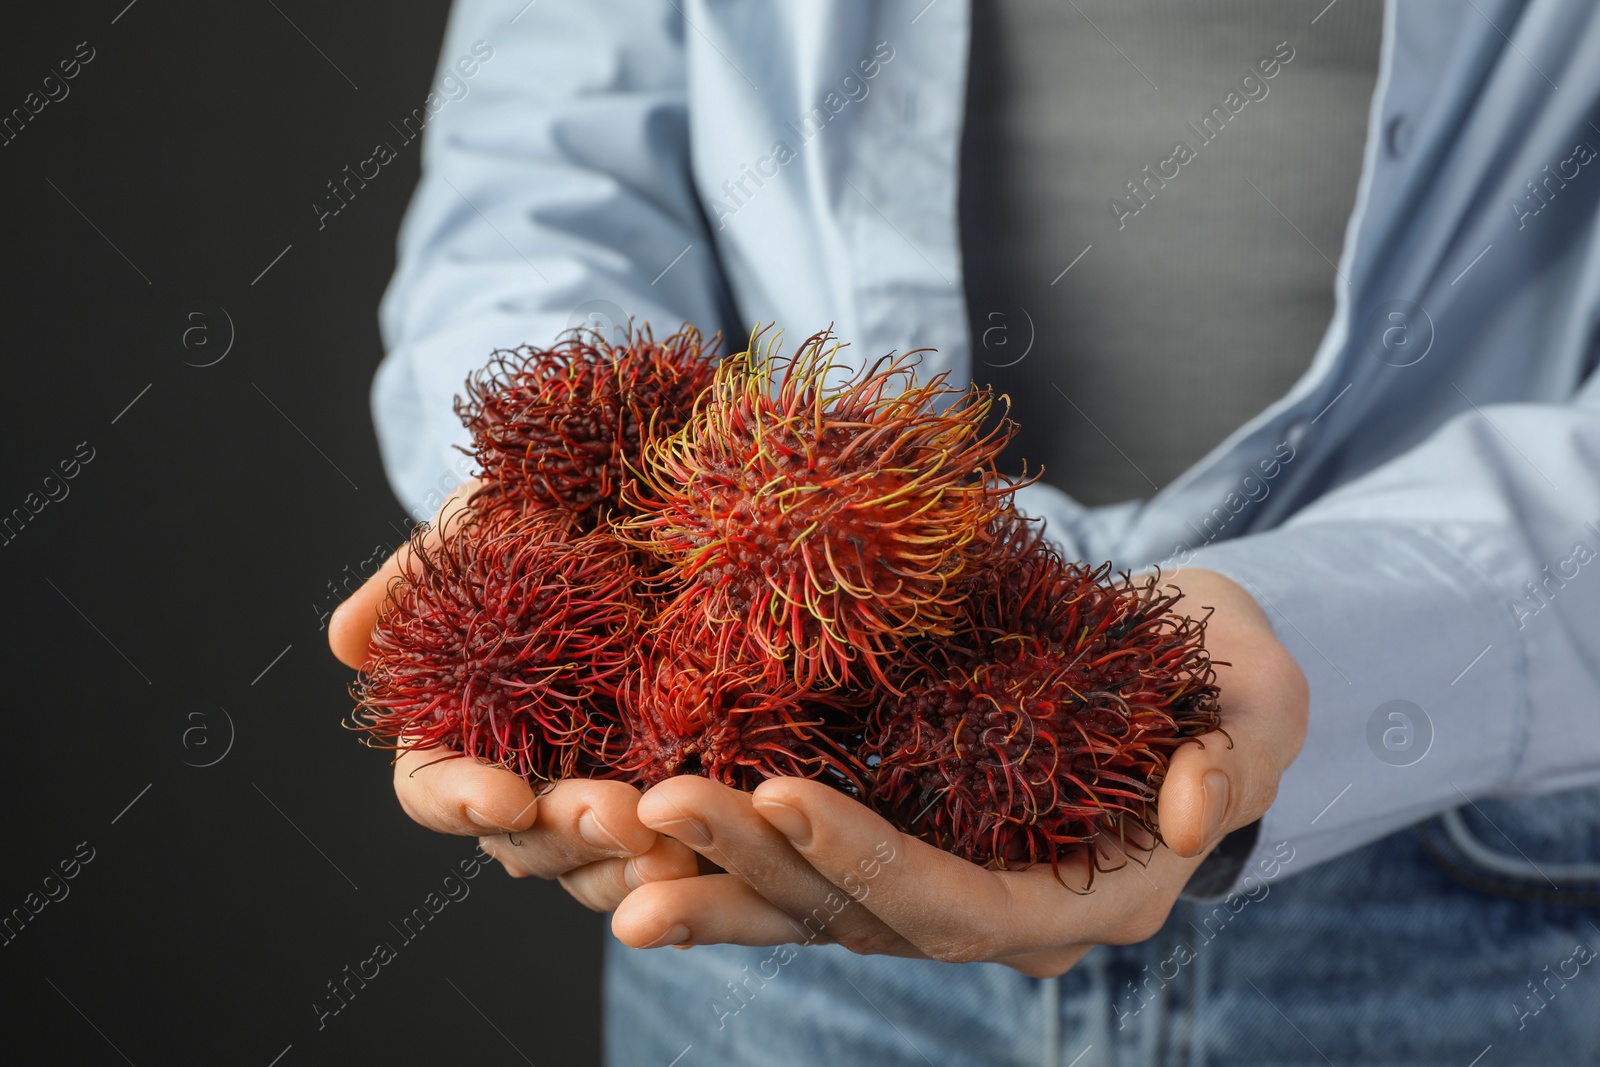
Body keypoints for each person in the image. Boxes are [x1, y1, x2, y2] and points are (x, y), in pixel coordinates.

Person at [330, 1, 1600, 1062]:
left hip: (1482, 884)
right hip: (772, 916)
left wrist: (1324, 627)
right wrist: (548, 512)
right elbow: (539, 175)